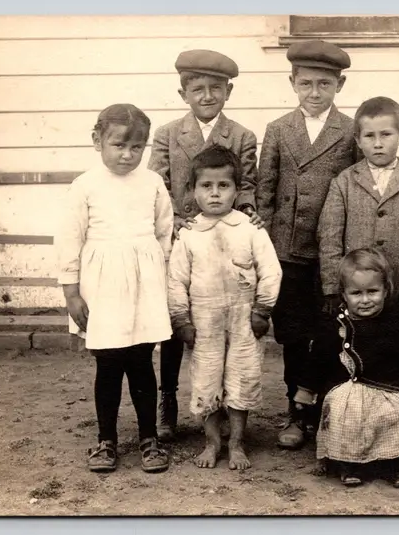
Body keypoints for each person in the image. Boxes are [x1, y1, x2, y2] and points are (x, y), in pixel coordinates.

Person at [148, 49, 264, 441]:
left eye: (216, 88)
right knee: (176, 323)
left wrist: (247, 211)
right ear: (183, 94)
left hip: (226, 243)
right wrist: (177, 222)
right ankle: (168, 400)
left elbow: (247, 183)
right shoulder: (167, 134)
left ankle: (229, 403)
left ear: (228, 91)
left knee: (224, 326)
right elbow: (158, 185)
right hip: (182, 238)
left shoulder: (242, 136)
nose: (207, 96)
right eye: (198, 89)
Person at [256, 39, 362, 450]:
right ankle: (295, 412)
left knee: (334, 332)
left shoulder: (352, 130)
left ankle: (329, 410)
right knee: (295, 335)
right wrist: (265, 245)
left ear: (340, 84)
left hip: (331, 250)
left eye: (324, 84)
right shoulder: (278, 129)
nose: (314, 93)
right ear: (292, 83)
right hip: (287, 251)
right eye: (305, 84)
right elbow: (265, 191)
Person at [56, 103, 173, 474]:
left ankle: (149, 439)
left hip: (144, 282)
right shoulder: (85, 185)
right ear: (97, 141)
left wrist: (161, 283)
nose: (128, 155)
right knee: (108, 365)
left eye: (137, 147)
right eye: (119, 145)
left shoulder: (152, 182)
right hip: (102, 285)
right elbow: (69, 239)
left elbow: (164, 233)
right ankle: (106, 440)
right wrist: (72, 293)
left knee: (141, 362)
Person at [168, 145, 282, 470]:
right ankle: (212, 442)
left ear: (236, 189)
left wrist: (262, 310)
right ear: (193, 190)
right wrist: (181, 319)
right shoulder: (188, 235)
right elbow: (176, 280)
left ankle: (236, 443)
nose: (215, 194)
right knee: (206, 378)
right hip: (204, 320)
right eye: (207, 186)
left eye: (224, 186)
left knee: (242, 376)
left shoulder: (250, 228)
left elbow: (270, 271)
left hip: (244, 316)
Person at [293, 248, 399, 488]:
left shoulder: (395, 324)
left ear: (385, 291)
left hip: (390, 389)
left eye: (372, 292)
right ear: (344, 294)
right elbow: (317, 360)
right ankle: (349, 463)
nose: (365, 299)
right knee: (341, 413)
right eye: (356, 293)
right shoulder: (334, 326)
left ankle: (398, 461)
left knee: (397, 416)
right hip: (346, 389)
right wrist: (306, 392)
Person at [318, 96, 399, 331]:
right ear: (358, 140)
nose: (378, 143)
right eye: (369, 136)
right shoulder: (343, 182)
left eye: (386, 134)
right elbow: (329, 239)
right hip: (355, 296)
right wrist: (333, 289)